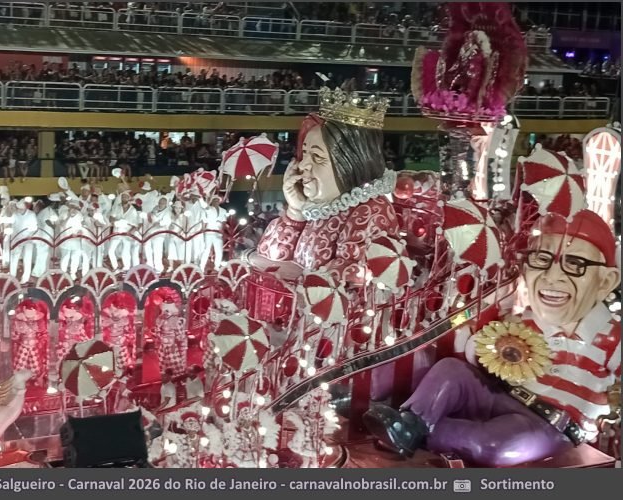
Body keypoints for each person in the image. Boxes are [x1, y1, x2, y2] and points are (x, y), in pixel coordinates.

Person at [363, 209, 621, 467]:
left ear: (605, 281)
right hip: (502, 395)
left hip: (551, 427)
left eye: (576, 264)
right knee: (452, 370)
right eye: (542, 259)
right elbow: (481, 349)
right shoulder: (525, 321)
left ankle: (414, 434)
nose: (552, 277)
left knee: (498, 446)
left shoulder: (611, 337)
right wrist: (485, 341)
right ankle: (411, 423)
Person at [255, 88, 399, 284]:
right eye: (305, 154)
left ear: (350, 165)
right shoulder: (321, 208)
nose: (303, 164)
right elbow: (270, 256)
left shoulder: (371, 211)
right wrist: (295, 212)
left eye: (317, 157)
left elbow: (342, 286)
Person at [9, 200, 38, 283]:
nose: (19, 210)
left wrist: (30, 234)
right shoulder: (15, 214)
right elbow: (10, 222)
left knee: (27, 258)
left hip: (28, 240)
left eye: (21, 209)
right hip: (16, 239)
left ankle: (25, 278)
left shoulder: (31, 214)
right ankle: (12, 276)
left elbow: (35, 227)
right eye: (18, 209)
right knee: (14, 258)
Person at [199, 195, 228, 271]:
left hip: (218, 233)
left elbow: (224, 221)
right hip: (209, 232)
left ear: (219, 202)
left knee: (219, 250)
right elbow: (205, 208)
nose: (216, 202)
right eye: (214, 200)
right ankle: (202, 266)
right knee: (206, 250)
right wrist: (201, 198)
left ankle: (217, 266)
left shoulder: (223, 211)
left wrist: (222, 229)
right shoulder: (209, 209)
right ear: (212, 201)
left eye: (217, 200)